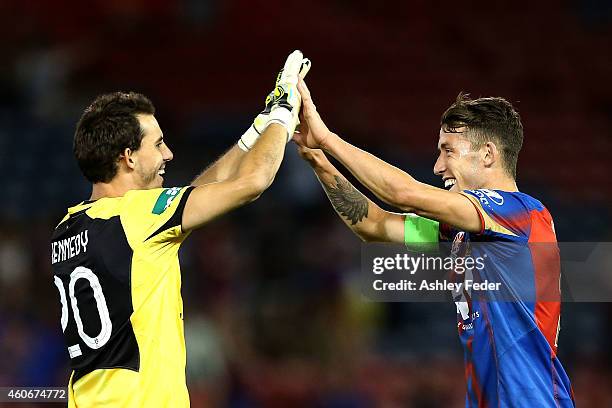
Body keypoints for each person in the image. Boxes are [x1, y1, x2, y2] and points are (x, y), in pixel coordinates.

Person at [50, 50, 309, 407]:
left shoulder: (67, 227)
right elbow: (255, 182)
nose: (168, 154)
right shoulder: (138, 217)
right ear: (128, 157)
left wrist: (255, 132)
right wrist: (284, 110)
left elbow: (194, 198)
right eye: (157, 144)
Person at [293, 79, 575, 407]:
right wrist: (319, 161)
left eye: (448, 151)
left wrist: (327, 139)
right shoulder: (460, 233)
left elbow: (404, 194)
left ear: (487, 154)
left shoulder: (521, 213)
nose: (438, 166)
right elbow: (374, 225)